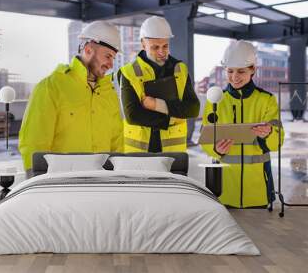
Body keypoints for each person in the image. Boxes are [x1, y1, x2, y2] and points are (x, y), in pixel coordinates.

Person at [19, 21, 123, 173]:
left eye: (113, 58)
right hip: (63, 185)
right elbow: (34, 143)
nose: (110, 64)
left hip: (102, 184)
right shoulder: (51, 87)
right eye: (108, 56)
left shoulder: (109, 93)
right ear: (88, 50)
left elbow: (117, 142)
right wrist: (37, 185)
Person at [201, 40, 285, 208]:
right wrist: (216, 149)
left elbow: (277, 143)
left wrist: (268, 134)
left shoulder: (266, 100)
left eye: (241, 71)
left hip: (258, 188)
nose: (234, 77)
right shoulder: (216, 100)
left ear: (253, 69)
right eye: (230, 71)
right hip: (224, 188)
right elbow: (206, 140)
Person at [118, 16, 200, 153]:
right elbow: (133, 115)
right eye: (155, 47)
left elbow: (193, 109)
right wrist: (171, 119)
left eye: (165, 46)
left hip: (173, 152)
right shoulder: (128, 72)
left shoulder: (180, 69)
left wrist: (156, 105)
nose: (162, 52)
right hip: (140, 153)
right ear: (143, 44)